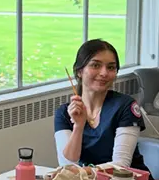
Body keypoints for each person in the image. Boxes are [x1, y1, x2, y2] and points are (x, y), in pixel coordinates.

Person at [54, 39, 147, 170]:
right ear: (79, 71)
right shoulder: (64, 112)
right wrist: (78, 127)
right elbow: (67, 164)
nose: (104, 73)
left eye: (110, 67)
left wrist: (83, 172)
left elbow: (121, 164)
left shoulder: (125, 106)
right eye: (95, 65)